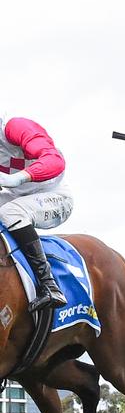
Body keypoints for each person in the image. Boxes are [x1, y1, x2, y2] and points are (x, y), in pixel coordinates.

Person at [0, 115, 73, 312]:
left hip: (55, 197)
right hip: (18, 198)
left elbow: (55, 161)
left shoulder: (15, 127)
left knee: (10, 212)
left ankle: (49, 285)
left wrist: (21, 178)